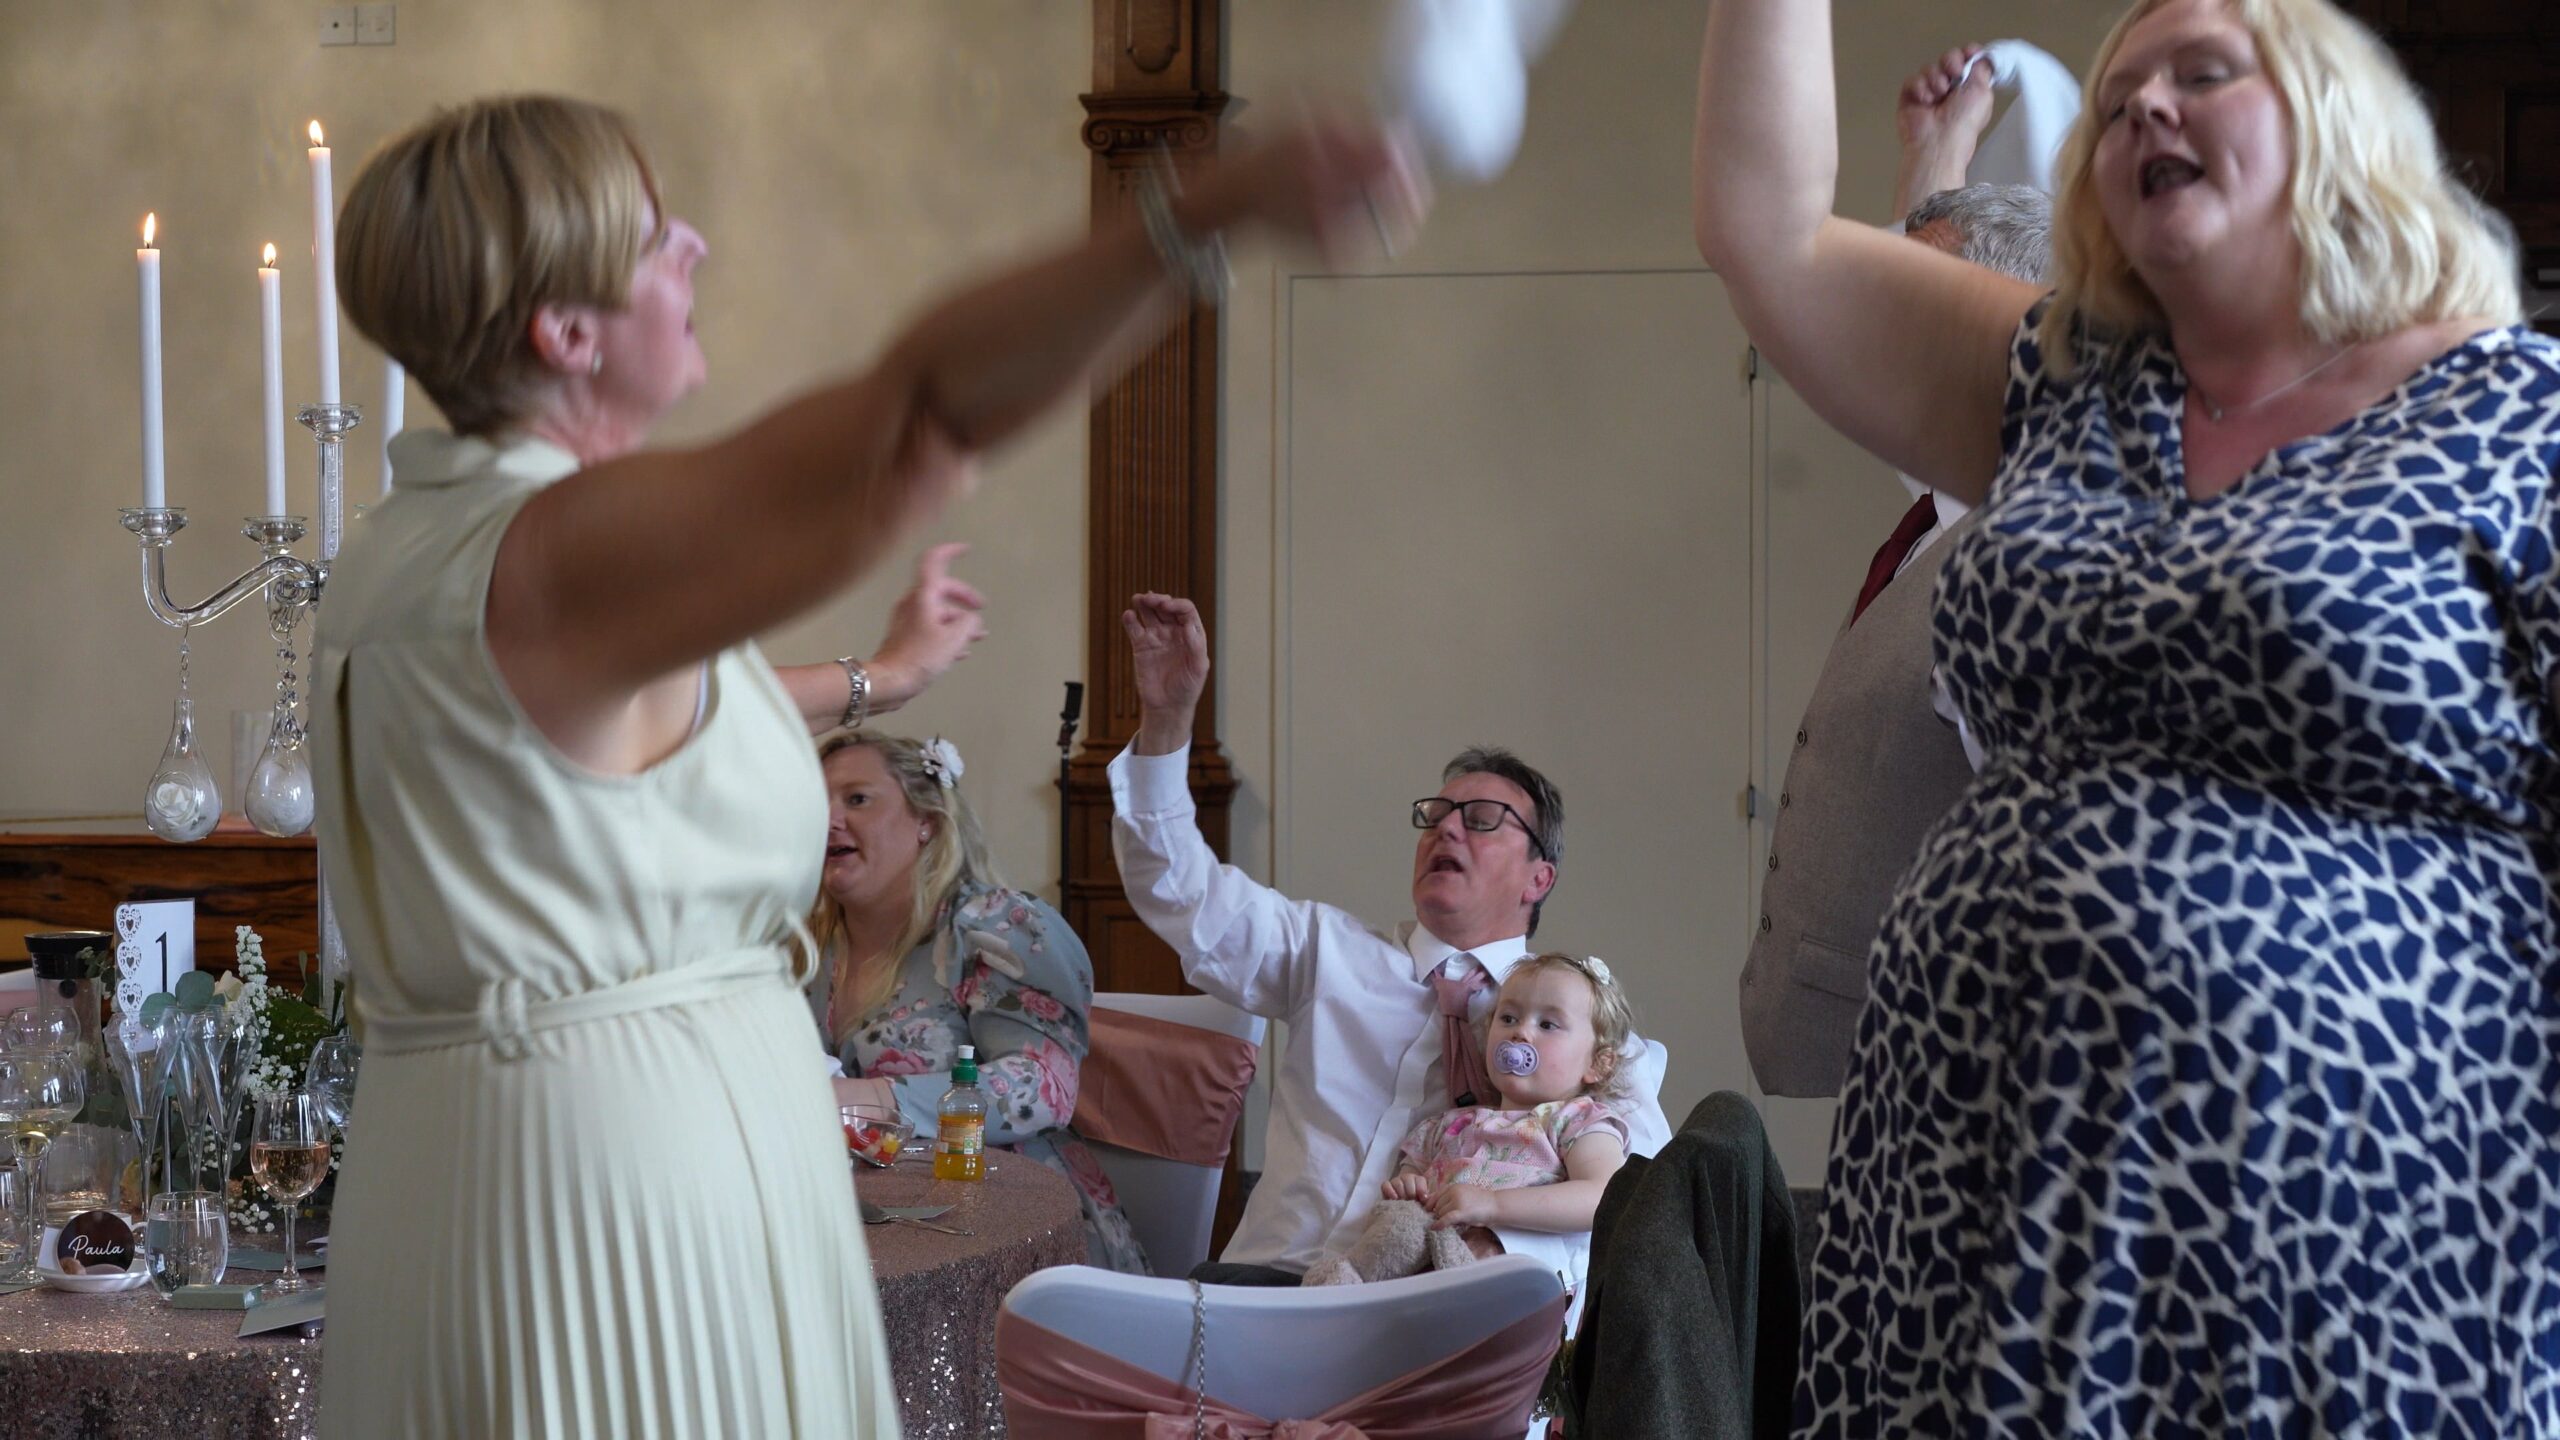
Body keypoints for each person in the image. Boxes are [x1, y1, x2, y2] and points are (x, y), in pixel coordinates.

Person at [309, 93, 1425, 1436]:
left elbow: (621, 741)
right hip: (605, 1208)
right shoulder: (557, 552)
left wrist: (879, 680)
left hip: (481, 1171)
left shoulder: (410, 550)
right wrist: (1199, 208)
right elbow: (914, 424)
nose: (697, 248)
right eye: (657, 234)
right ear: (565, 331)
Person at [1694, 0, 2556, 1430]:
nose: (2146, 105)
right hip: (1967, 1218)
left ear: (2340, 122)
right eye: (2118, 96)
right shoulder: (2064, 389)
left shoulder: (2514, 421)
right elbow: (1765, 231)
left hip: (2357, 1256)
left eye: (2203, 73)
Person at [1112, 593, 1672, 1287]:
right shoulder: (1324, 950)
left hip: (1434, 1311)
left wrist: (1501, 1253)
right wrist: (1168, 722)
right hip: (1271, 1283)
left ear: (1539, 876)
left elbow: (1642, 1214)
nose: (1447, 829)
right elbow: (1174, 887)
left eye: (1482, 818)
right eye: (1436, 816)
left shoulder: (1574, 1029)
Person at [1742, 48, 2056, 1100]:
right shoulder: (1945, 490)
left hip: (1971, 1081)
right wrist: (1940, 152)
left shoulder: (2041, 541)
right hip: (1885, 1069)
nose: (1870, 347)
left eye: (1909, 313)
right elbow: (1923, 308)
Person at [807, 731, 1150, 1273]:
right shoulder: (810, 947)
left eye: (856, 799)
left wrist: (879, 1099)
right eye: (813, 800)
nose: (827, 819)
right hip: (867, 1219)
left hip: (1008, 1227)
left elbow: (1045, 1086)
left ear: (928, 821)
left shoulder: (996, 926)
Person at [1305, 952, 1633, 1285]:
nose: (1520, 1033)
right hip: (1415, 1277)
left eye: (1547, 1025)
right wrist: (1409, 1187)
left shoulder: (1577, 1120)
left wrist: (1494, 1205)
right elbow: (1408, 1187)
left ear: (1598, 1063)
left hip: (1497, 1282)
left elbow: (1603, 1197)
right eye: (1507, 1018)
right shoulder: (1449, 1125)